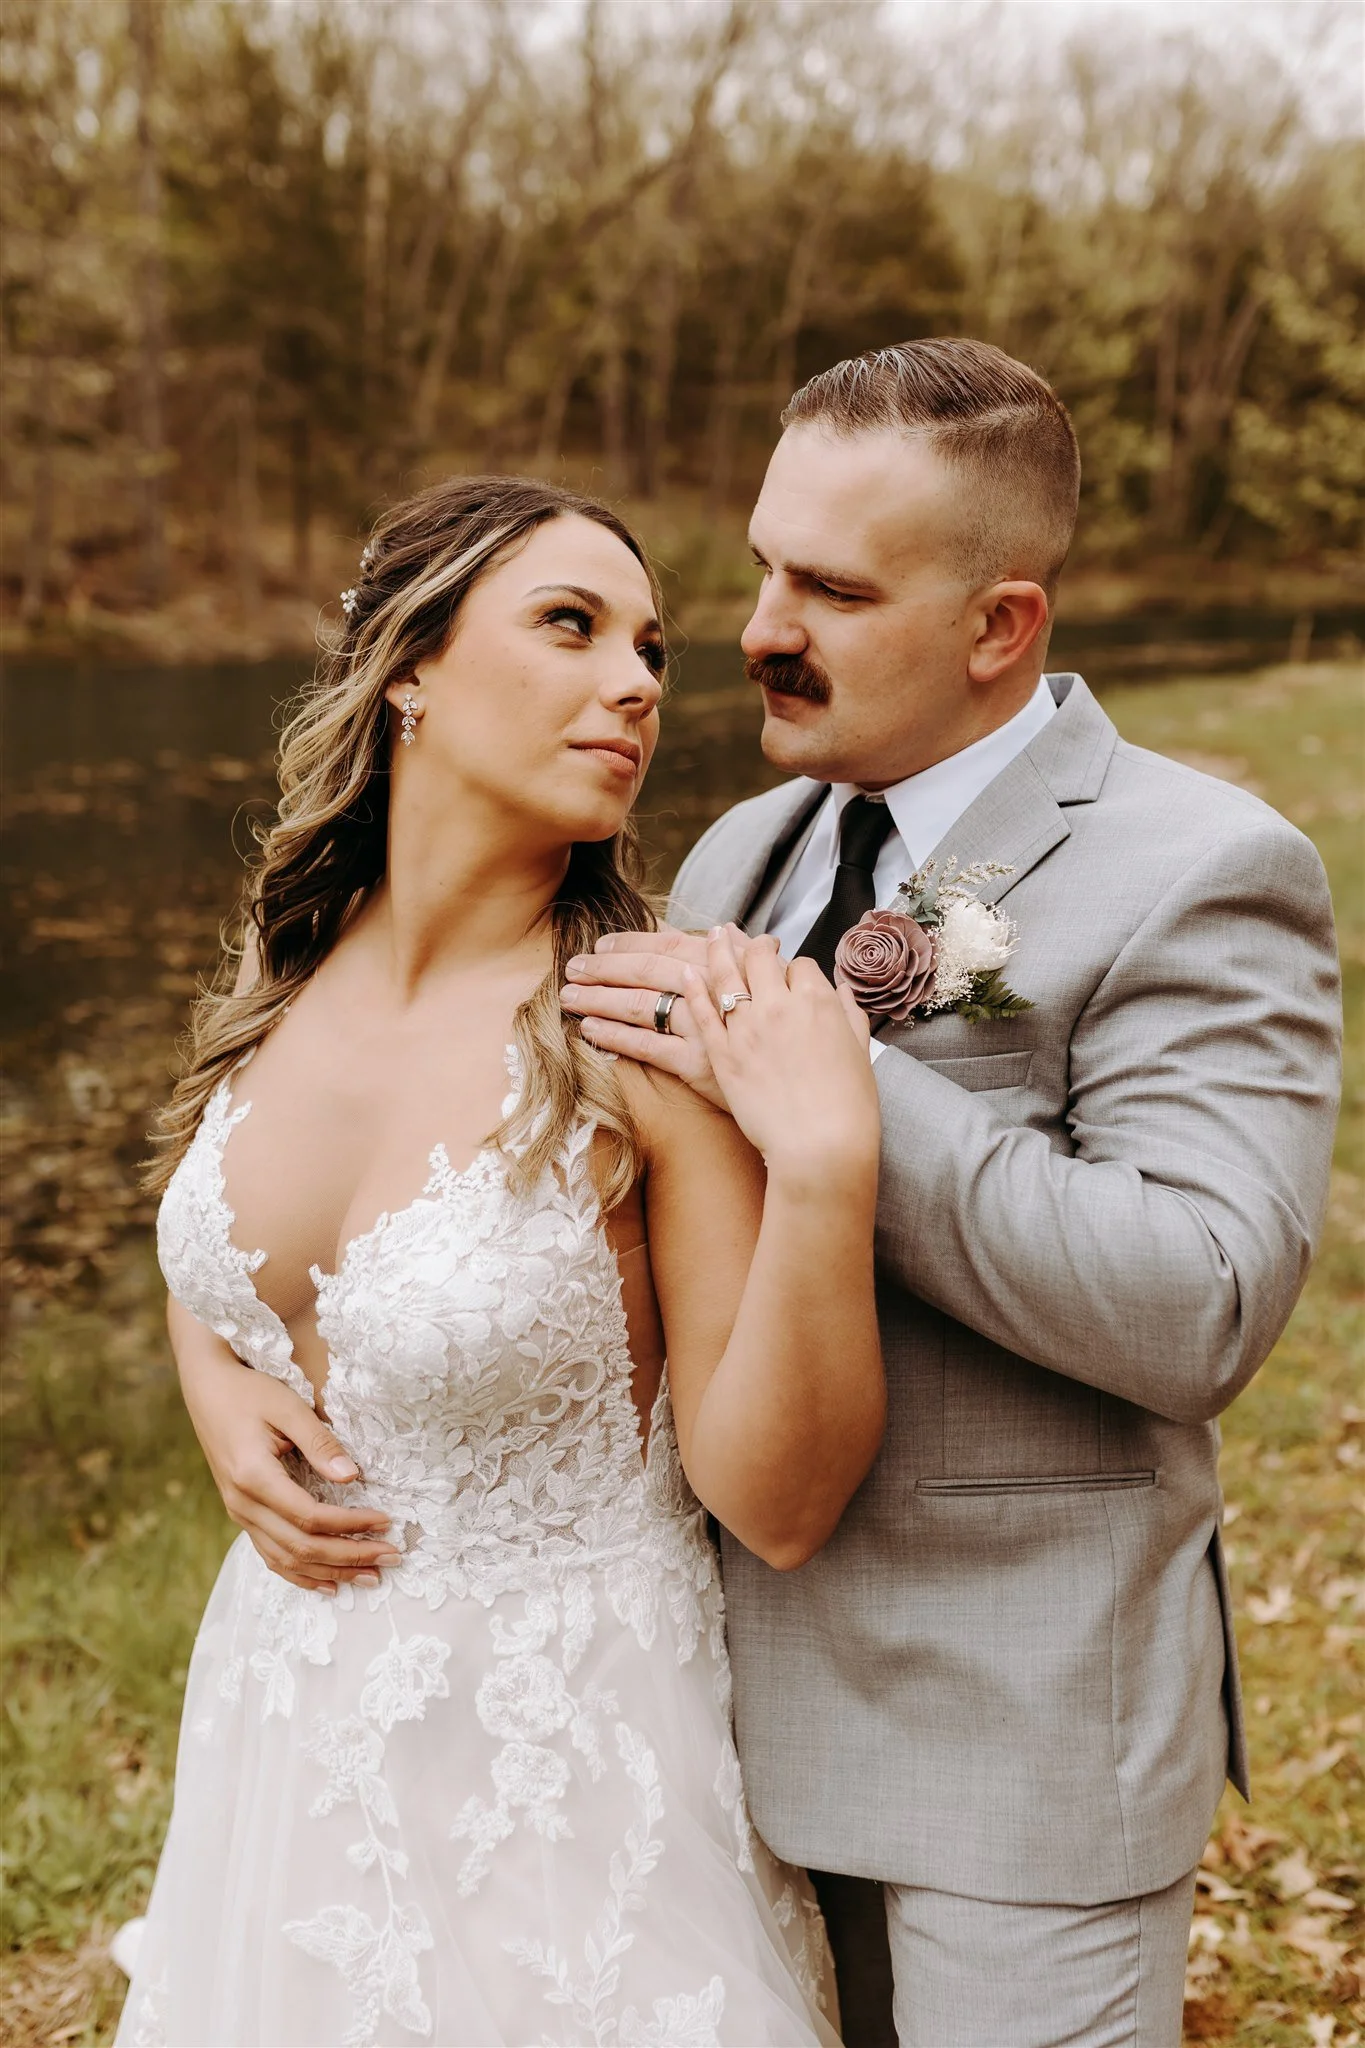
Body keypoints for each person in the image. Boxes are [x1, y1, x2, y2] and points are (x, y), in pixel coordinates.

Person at [158, 339, 1342, 2048]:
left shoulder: (1199, 865)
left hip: (1003, 1744)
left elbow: (1208, 1299)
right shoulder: (747, 854)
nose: (748, 632)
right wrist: (231, 1371)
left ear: (999, 624)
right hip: (705, 1726)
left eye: (832, 589)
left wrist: (847, 1102)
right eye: (763, 565)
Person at [115, 475, 887, 2046]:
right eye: (571, 625)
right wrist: (214, 1378)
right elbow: (242, 1255)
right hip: (283, 1744)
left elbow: (782, 1503)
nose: (641, 685)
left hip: (561, 1806)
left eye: (653, 650)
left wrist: (824, 1173)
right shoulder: (287, 968)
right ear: (410, 668)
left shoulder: (631, 1033)